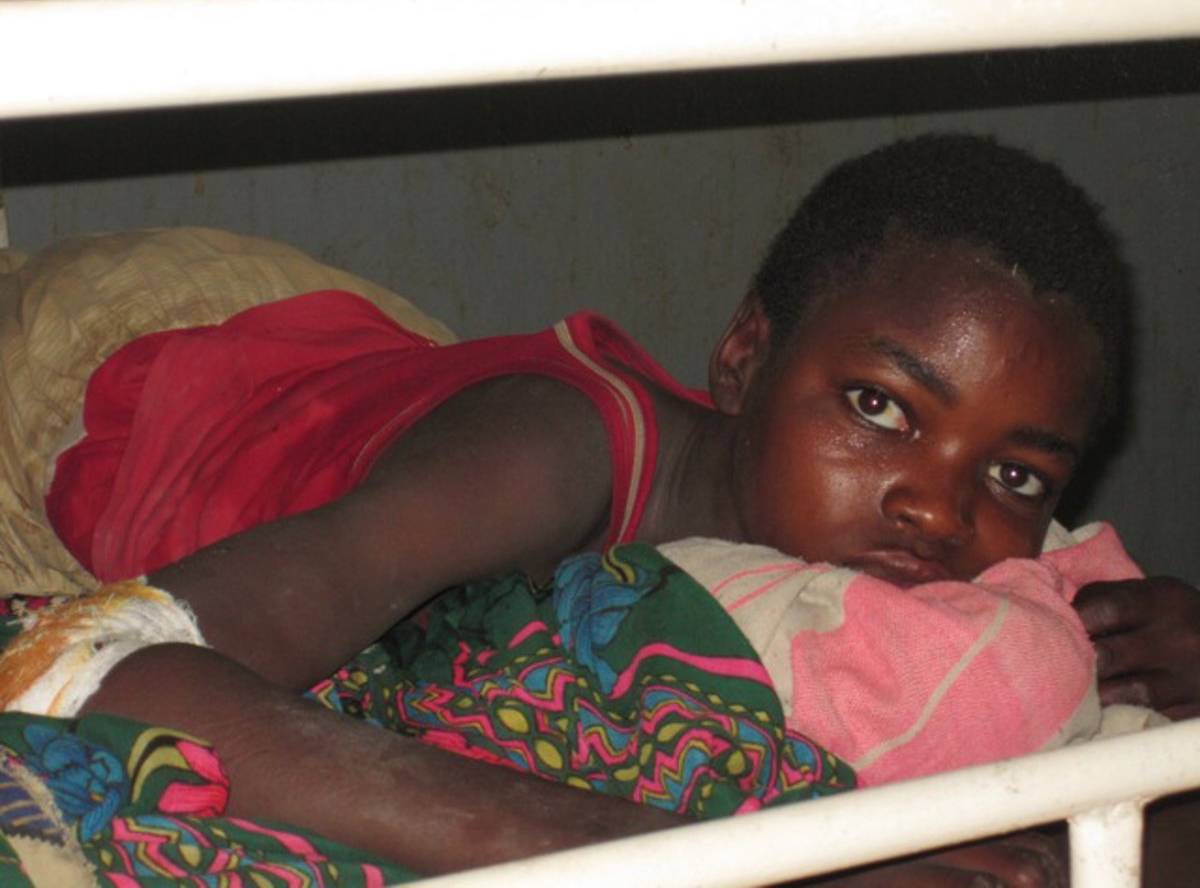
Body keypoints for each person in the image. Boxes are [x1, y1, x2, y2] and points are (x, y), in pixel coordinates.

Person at [3, 132, 1199, 886]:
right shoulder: (546, 461)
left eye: (1017, 476)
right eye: (879, 407)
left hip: (393, 378)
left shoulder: (900, 558)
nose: (938, 511)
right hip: (117, 374)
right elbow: (85, 666)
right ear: (744, 357)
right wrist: (745, 862)